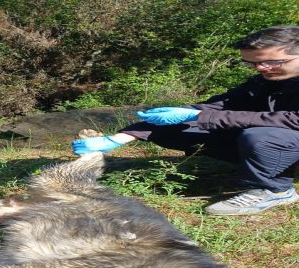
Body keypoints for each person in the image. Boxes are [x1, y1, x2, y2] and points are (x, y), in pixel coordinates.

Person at [72, 25, 299, 216]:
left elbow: (293, 120)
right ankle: (262, 166)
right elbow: (220, 106)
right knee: (178, 126)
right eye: (253, 63)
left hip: (284, 141)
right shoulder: (267, 80)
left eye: (272, 62)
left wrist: (201, 116)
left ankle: (274, 190)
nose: (261, 68)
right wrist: (122, 137)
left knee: (262, 136)